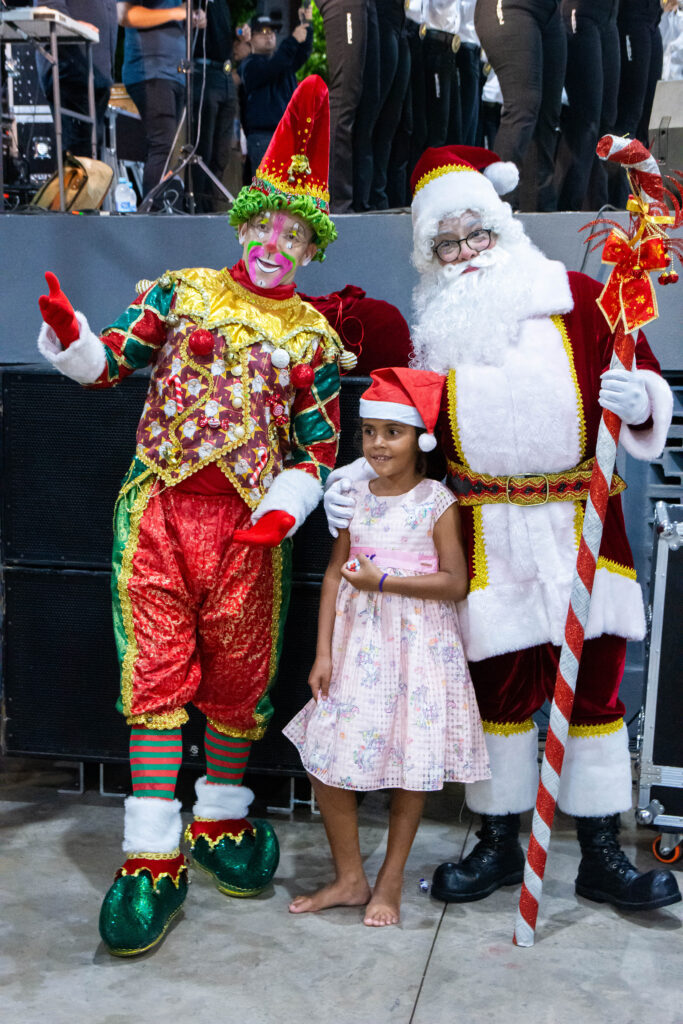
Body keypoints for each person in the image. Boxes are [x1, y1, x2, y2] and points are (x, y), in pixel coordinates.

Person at [36, 76, 351, 956]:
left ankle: (218, 820)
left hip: (251, 530)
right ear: (243, 225)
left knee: (239, 680)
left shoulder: (314, 342)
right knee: (157, 676)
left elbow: (318, 449)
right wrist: (72, 337)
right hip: (161, 516)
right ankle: (150, 854)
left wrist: (285, 511)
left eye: (295, 236)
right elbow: (111, 365)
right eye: (266, 228)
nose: (276, 246)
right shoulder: (179, 292)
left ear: (310, 247)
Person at [324, 144, 681, 914]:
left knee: (592, 686)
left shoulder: (576, 298)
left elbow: (643, 377)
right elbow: (404, 425)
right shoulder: (435, 337)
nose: (466, 254)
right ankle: (495, 840)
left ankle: (598, 853)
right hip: (485, 534)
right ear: (431, 256)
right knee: (498, 690)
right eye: (447, 244)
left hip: (581, 523)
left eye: (476, 233)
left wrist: (642, 399)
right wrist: (356, 478)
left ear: (502, 226)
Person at [284, 368, 490, 926]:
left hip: (418, 647)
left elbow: (455, 582)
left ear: (420, 440)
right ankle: (350, 877)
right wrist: (323, 652)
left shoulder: (436, 501)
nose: (377, 443)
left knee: (409, 761)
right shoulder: (353, 497)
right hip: (358, 646)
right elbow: (334, 574)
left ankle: (391, 879)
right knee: (325, 754)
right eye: (369, 431)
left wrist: (384, 583)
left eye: (392, 432)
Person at [474, 0, 566, 210]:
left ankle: (539, 211)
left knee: (548, 115)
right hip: (511, 7)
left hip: (551, 12)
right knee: (523, 107)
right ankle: (497, 207)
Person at [118, 1, 207, 200]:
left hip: (176, 74)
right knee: (162, 145)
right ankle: (153, 211)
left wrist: (194, 18)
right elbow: (125, 15)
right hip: (150, 72)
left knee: (167, 149)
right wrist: (176, 13)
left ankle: (161, 206)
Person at [34, 0, 118, 158]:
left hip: (97, 71)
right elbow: (48, 5)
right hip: (71, 69)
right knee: (79, 154)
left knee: (92, 155)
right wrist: (73, 26)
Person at [240, 10, 313, 180]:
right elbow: (272, 68)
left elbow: (302, 53)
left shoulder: (284, 63)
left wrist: (307, 23)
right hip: (264, 138)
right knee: (269, 191)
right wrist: (292, 40)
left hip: (288, 136)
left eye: (272, 31)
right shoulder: (249, 65)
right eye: (262, 31)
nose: (269, 35)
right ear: (251, 37)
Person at [191, 0, 237, 211]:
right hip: (204, 72)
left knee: (222, 152)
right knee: (204, 147)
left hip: (225, 75)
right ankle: (199, 206)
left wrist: (240, 33)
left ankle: (212, 204)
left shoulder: (223, 5)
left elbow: (223, 35)